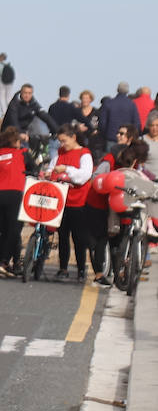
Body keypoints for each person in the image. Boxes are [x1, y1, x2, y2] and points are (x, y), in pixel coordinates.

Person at [47, 125, 94, 281]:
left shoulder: (84, 154)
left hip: (78, 201)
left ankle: (81, 269)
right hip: (61, 200)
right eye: (60, 141)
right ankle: (63, 268)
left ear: (73, 137)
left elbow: (83, 176)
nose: (62, 145)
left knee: (79, 238)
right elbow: (52, 168)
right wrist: (49, 172)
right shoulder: (60, 153)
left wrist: (66, 169)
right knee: (62, 236)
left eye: (64, 141)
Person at [0, 126, 28, 277]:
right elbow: (34, 169)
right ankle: (4, 262)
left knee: (5, 230)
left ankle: (14, 263)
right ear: (14, 142)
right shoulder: (22, 153)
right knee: (14, 230)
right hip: (14, 194)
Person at [85, 134, 119, 285]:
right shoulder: (108, 162)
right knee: (100, 239)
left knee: (105, 239)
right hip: (98, 204)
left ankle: (110, 271)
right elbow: (96, 177)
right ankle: (99, 273)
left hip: (111, 205)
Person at [99, 82, 141, 152]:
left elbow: (102, 123)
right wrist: (133, 137)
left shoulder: (108, 103)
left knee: (111, 160)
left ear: (117, 90)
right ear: (127, 91)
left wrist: (105, 135)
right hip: (127, 139)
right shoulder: (131, 104)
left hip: (111, 137)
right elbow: (137, 123)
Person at [78, 90, 103, 157]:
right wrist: (78, 127)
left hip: (93, 141)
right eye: (83, 98)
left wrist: (95, 130)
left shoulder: (96, 112)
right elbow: (72, 123)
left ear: (91, 100)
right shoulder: (77, 112)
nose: (85, 100)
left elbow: (100, 125)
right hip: (80, 140)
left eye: (87, 98)